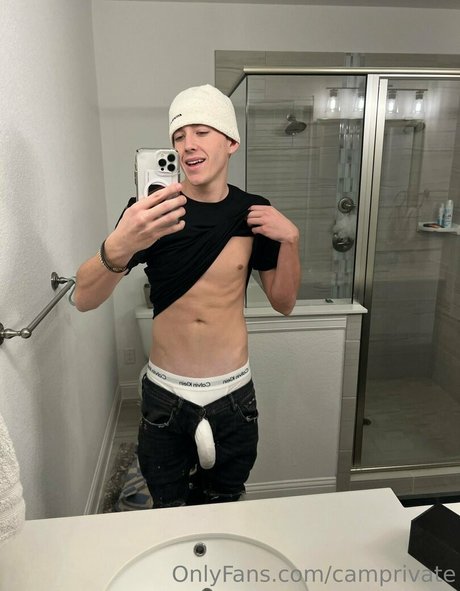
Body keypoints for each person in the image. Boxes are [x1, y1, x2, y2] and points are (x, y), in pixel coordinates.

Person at [74, 84, 300, 508]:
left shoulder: (253, 213)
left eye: (201, 132)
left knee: (225, 504)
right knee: (167, 509)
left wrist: (291, 241)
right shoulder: (151, 211)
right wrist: (120, 243)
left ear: (231, 142)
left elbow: (283, 303)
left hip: (233, 394)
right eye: (179, 136)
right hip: (166, 393)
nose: (187, 144)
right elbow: (83, 298)